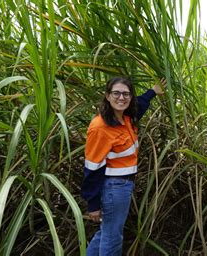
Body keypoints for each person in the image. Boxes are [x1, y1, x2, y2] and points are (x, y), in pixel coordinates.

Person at [81, 77, 165, 255]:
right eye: (116, 93)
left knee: (107, 232)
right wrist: (93, 204)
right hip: (114, 188)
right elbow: (91, 167)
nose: (121, 98)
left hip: (122, 186)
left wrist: (152, 92)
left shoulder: (125, 118)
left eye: (126, 94)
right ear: (107, 96)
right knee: (112, 238)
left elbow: (140, 106)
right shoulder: (100, 127)